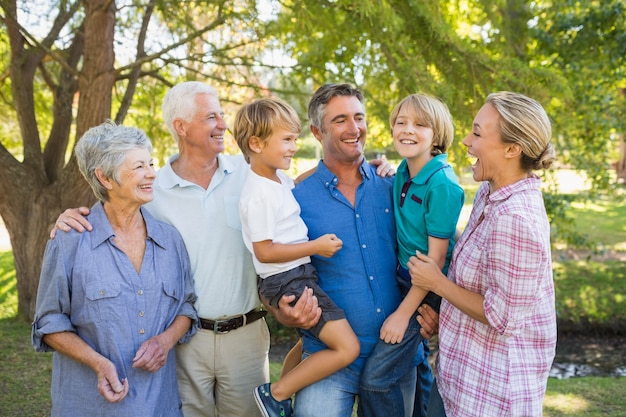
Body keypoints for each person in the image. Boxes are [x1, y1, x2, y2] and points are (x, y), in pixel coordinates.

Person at [50, 81, 392, 417]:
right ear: (181, 127)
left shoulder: (251, 172)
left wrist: (371, 169)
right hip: (185, 341)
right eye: (212, 117)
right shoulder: (154, 188)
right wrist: (68, 217)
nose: (223, 125)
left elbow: (298, 183)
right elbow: (116, 205)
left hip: (246, 335)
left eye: (222, 115)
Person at [266, 83, 435, 417]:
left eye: (359, 117)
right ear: (317, 131)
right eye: (340, 120)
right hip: (328, 360)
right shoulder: (295, 199)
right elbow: (270, 267)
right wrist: (280, 310)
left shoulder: (394, 186)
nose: (354, 128)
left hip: (396, 356)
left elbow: (435, 252)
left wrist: (436, 310)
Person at [32, 121, 198, 417]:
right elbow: (49, 323)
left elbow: (186, 307)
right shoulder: (70, 241)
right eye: (138, 167)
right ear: (105, 177)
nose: (151, 173)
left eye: (150, 163)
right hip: (89, 406)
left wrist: (165, 340)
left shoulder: (170, 240)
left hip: (160, 406)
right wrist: (98, 363)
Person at [408, 91, 558, 416]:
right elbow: (480, 283)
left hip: (491, 397)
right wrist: (448, 317)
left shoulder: (516, 219)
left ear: (512, 148)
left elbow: (502, 316)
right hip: (456, 379)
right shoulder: (491, 193)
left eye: (477, 133)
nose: (465, 140)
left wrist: (437, 283)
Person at [233, 97, 360, 417]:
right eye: (287, 140)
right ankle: (275, 393)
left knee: (310, 342)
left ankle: (281, 392)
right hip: (288, 278)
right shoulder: (257, 193)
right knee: (347, 347)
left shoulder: (276, 179)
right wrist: (314, 247)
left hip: (298, 274)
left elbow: (299, 183)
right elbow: (264, 250)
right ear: (256, 143)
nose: (294, 146)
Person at [359, 93, 465, 416]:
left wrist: (403, 314)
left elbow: (432, 267)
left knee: (376, 380)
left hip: (426, 289)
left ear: (437, 135)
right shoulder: (403, 171)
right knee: (415, 367)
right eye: (401, 122)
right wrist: (384, 168)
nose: (407, 129)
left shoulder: (442, 185)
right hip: (404, 280)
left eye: (420, 124)